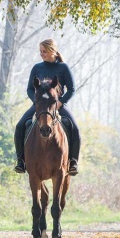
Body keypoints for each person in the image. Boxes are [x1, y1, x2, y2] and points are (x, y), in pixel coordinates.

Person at [14, 39, 80, 175]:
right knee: (20, 126)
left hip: (58, 106)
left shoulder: (63, 68)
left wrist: (60, 102)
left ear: (52, 51)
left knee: (75, 128)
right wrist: (37, 103)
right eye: (40, 52)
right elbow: (29, 90)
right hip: (40, 107)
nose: (41, 54)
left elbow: (72, 89)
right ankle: (21, 161)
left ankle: (73, 162)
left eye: (44, 51)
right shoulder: (37, 68)